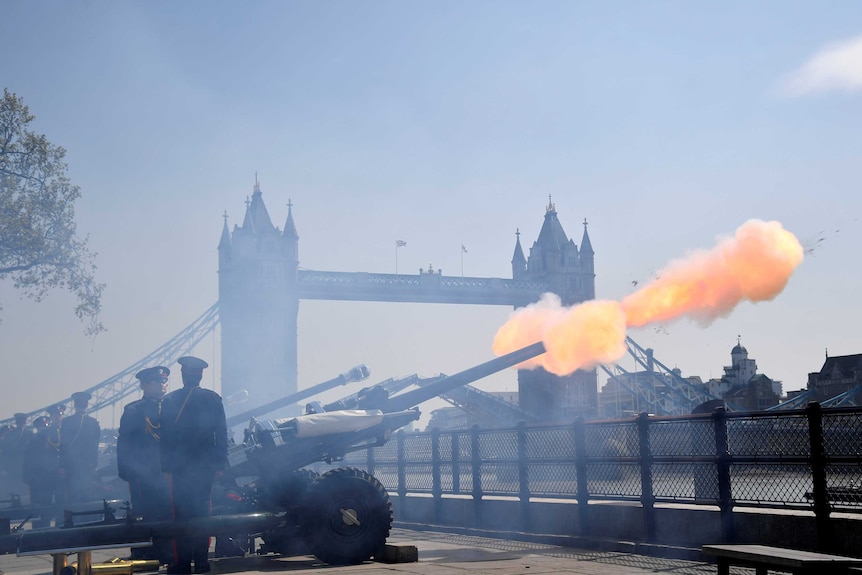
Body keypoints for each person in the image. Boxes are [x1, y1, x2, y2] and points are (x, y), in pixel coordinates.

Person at [160, 356, 228, 575]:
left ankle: (181, 564)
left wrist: (166, 468)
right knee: (202, 514)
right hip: (205, 468)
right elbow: (222, 435)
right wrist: (219, 465)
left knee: (180, 516)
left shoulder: (170, 401)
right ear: (200, 375)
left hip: (179, 468)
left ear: (183, 374)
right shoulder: (213, 399)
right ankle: (201, 562)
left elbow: (165, 439)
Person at [117, 365, 172, 563]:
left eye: (165, 381)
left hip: (169, 472)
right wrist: (129, 473)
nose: (163, 385)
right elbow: (124, 445)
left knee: (169, 513)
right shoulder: (133, 410)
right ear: (144, 385)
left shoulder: (172, 406)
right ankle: (144, 553)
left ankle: (168, 553)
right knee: (144, 513)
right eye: (158, 381)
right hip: (144, 473)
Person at [23, 407, 64, 527]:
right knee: (44, 503)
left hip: (57, 473)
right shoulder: (36, 441)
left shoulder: (59, 434)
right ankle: (42, 527)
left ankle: (59, 525)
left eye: (60, 415)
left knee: (60, 502)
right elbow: (30, 460)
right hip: (44, 475)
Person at [59, 391, 101, 503]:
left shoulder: (67, 422)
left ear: (74, 404)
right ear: (87, 404)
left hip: (70, 465)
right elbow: (94, 447)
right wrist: (94, 465)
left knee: (71, 496)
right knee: (86, 496)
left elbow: (63, 445)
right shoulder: (93, 423)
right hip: (87, 465)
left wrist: (62, 465)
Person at [0, 413, 31, 499]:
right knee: (14, 484)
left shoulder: (29, 433)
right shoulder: (11, 434)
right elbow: (6, 450)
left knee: (23, 483)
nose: (21, 423)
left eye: (22, 421)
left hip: (24, 462)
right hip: (14, 463)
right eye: (20, 421)